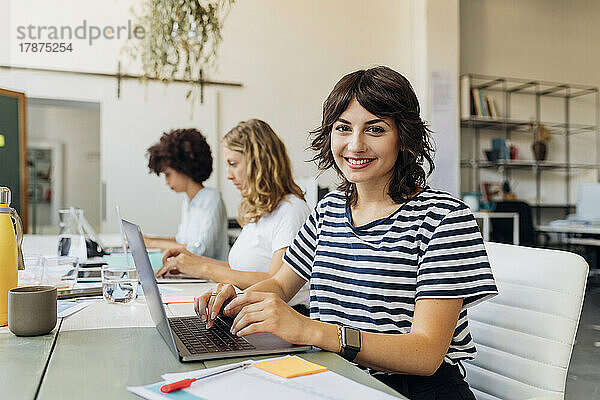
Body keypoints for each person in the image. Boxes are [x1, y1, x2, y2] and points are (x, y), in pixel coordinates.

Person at [197, 67, 498, 400]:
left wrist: (311, 330)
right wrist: (236, 299)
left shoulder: (444, 218)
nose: (356, 144)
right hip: (336, 378)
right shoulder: (329, 211)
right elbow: (282, 283)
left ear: (404, 137)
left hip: (413, 390)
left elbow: (426, 354)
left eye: (375, 129)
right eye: (343, 128)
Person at [156, 119, 311, 300]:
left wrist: (202, 268)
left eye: (233, 164)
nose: (229, 175)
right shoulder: (261, 211)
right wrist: (192, 260)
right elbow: (239, 271)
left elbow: (276, 282)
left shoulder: (292, 211)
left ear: (259, 162)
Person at [146, 128, 229, 261]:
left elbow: (199, 251)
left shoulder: (212, 198)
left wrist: (152, 243)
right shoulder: (188, 200)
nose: (166, 182)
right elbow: (181, 241)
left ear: (183, 167)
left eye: (168, 174)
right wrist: (149, 240)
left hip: (209, 278)